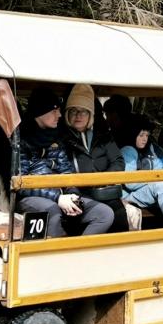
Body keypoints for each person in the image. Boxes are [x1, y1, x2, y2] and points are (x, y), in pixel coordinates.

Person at [17, 88, 114, 238]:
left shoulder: (56, 138)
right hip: (33, 197)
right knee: (53, 211)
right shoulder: (20, 141)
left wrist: (73, 194)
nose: (60, 115)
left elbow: (66, 171)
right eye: (54, 111)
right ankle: (57, 251)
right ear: (40, 112)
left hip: (61, 195)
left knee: (104, 213)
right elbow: (20, 185)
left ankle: (80, 250)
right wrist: (57, 198)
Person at [59, 84, 130, 233]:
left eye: (84, 111)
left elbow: (118, 161)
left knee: (119, 215)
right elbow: (62, 169)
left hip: (103, 191)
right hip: (78, 193)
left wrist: (103, 180)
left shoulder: (103, 136)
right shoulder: (61, 139)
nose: (78, 115)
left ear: (90, 115)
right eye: (73, 110)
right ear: (67, 114)